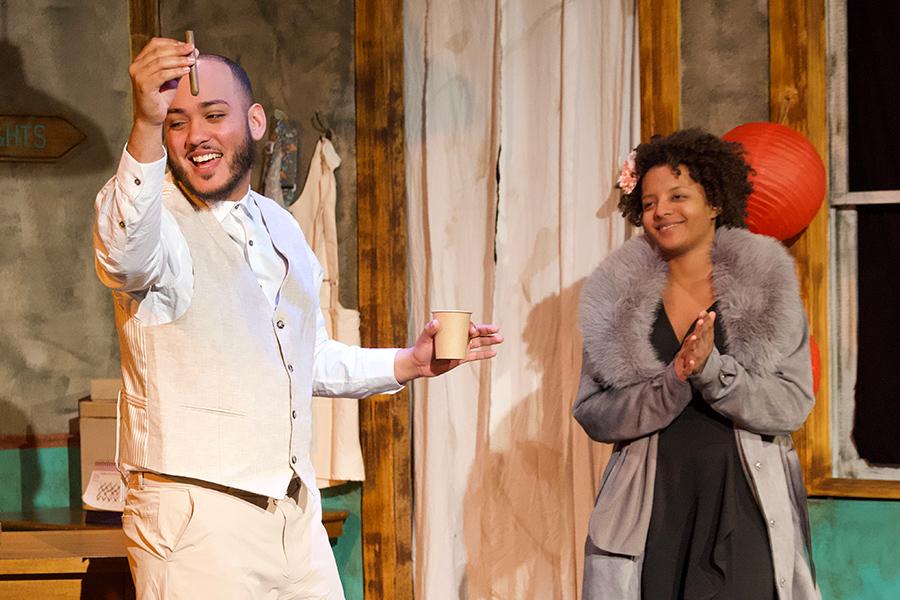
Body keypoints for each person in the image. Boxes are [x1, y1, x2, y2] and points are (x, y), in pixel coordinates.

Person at [93, 37, 502, 599]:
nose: (197, 137)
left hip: (292, 509)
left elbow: (306, 359)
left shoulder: (280, 227)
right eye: (176, 122)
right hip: (195, 519)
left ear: (255, 121)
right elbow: (121, 255)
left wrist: (409, 362)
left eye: (214, 115)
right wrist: (144, 123)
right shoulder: (150, 216)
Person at [573, 129, 819, 599]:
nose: (661, 210)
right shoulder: (616, 297)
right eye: (648, 202)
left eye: (678, 196)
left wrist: (713, 371)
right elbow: (592, 412)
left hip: (744, 500)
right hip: (653, 506)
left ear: (714, 202)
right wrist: (673, 380)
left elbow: (792, 405)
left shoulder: (767, 285)